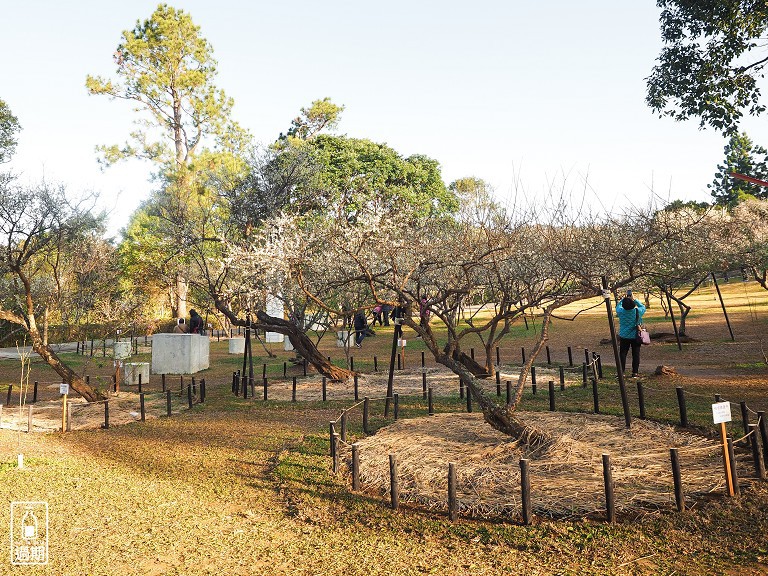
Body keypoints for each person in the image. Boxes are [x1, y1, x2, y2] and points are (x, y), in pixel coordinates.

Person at [616, 290, 646, 377]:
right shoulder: (638, 311)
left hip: (624, 336)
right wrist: (634, 299)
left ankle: (621, 372)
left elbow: (618, 306)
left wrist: (623, 299)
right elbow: (642, 306)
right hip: (635, 336)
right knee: (636, 354)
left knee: (622, 353)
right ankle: (635, 372)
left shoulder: (621, 312)